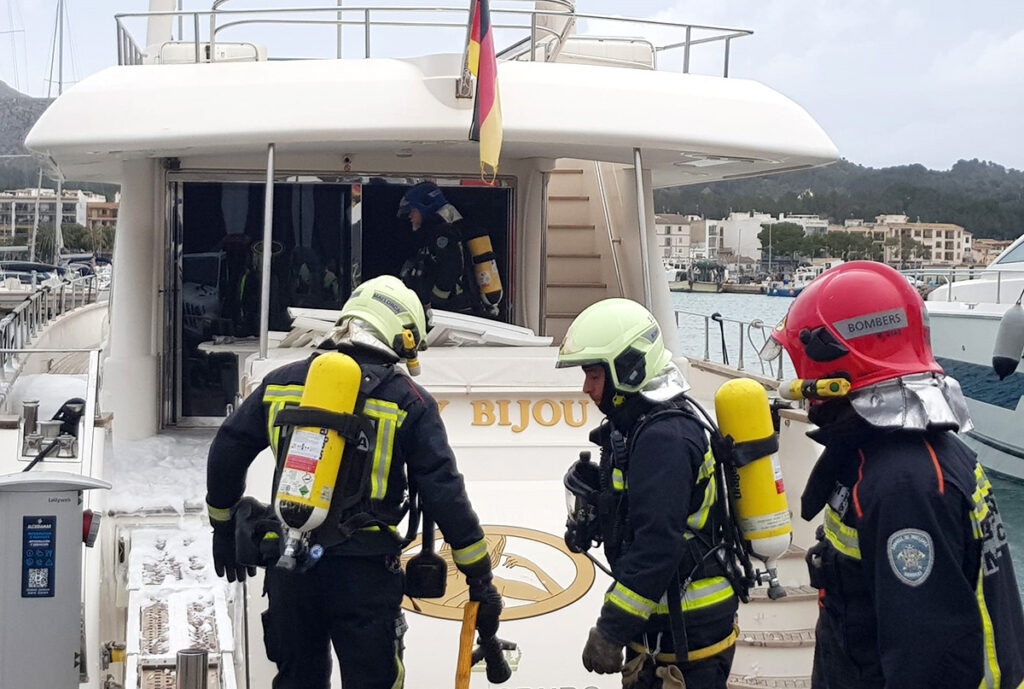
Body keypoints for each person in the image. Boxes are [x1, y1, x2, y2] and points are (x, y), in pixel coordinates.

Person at [205, 275, 503, 689]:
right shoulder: (408, 401)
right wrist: (479, 575)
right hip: (364, 574)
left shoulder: (281, 383)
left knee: (297, 681)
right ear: (399, 335)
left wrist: (221, 526)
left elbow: (227, 448)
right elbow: (443, 492)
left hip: (290, 567)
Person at [760, 260, 1024, 688]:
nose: (799, 383)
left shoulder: (904, 486)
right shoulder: (894, 459)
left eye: (802, 365)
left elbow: (929, 664)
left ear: (836, 364)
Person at [555, 298, 739, 689]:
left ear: (628, 369)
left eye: (593, 375)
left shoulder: (662, 440)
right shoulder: (646, 426)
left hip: (685, 634)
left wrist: (611, 631)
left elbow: (657, 547)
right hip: (676, 623)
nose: (586, 388)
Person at [396, 181, 500, 318]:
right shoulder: (442, 230)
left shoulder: (443, 233)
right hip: (457, 309)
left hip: (455, 310)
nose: (410, 216)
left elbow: (451, 268)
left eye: (413, 210)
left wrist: (434, 303)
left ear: (426, 206)